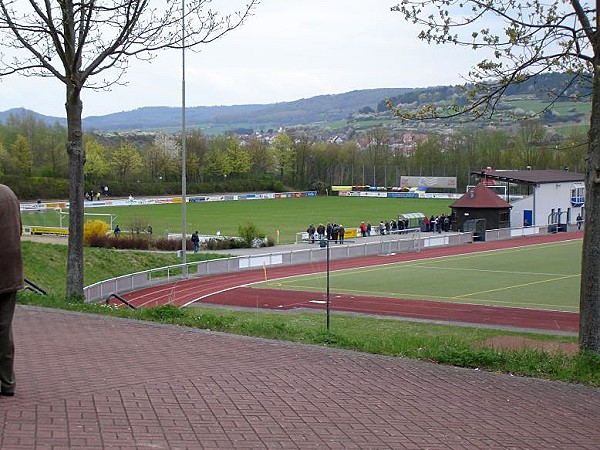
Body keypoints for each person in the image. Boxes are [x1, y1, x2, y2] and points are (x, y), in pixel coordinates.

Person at [0, 184, 23, 397]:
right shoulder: (9, 193)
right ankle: (7, 382)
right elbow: (20, 230)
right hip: (12, 272)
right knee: (4, 329)